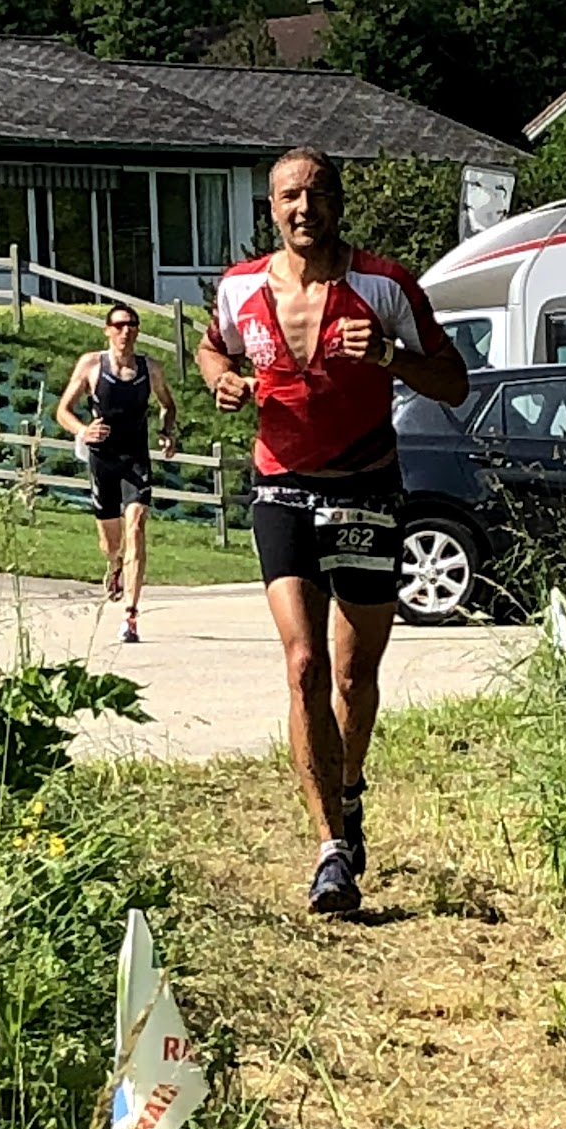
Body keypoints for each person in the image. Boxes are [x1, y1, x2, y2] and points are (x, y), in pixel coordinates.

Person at [197, 147, 468, 915]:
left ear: (338, 203)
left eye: (315, 193)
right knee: (304, 664)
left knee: (353, 675)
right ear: (271, 208)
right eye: (288, 196)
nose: (302, 207)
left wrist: (388, 353)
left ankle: (348, 794)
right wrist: (220, 378)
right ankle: (328, 851)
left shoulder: (384, 285)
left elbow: (453, 381)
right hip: (280, 484)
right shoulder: (241, 285)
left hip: (365, 491)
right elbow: (213, 345)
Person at [55, 305, 177, 643]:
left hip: (135, 461)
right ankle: (115, 565)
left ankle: (130, 616)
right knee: (110, 543)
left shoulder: (149, 368)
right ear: (107, 330)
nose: (127, 331)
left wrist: (168, 431)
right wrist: (82, 430)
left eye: (132, 325)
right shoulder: (92, 365)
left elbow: (168, 404)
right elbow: (62, 411)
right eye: (120, 325)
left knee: (136, 526)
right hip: (103, 462)